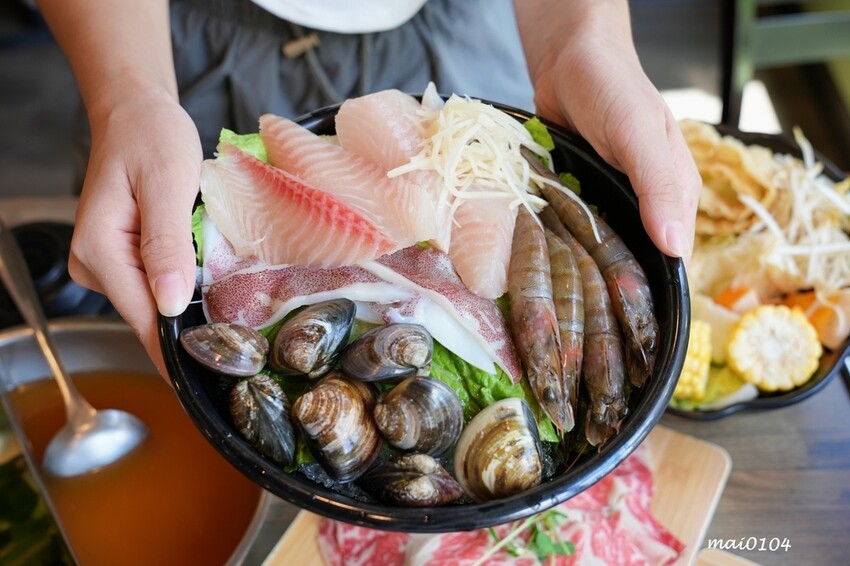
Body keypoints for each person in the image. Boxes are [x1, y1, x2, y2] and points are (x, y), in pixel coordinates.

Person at [37, 0, 701, 378]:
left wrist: (580, 37)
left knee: (485, 235)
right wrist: (128, 95)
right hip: (174, 46)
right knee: (174, 296)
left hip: (473, 30)